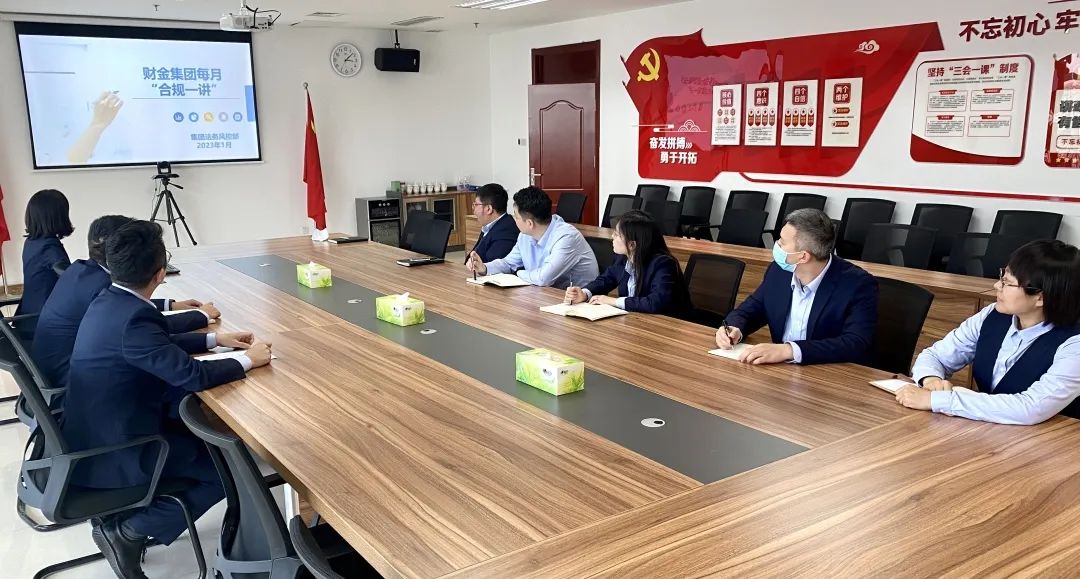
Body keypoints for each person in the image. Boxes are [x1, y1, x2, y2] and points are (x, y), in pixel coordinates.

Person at [61, 220, 272, 578]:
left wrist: (214, 340)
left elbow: (154, 346)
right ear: (160, 274)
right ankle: (130, 531)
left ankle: (130, 520)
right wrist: (248, 360)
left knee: (206, 438)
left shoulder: (110, 300)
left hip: (91, 431)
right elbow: (193, 375)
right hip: (121, 448)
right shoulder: (134, 318)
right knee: (227, 472)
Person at [897, 240, 1080, 425]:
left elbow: (1031, 408)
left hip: (1056, 437)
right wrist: (931, 380)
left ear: (1040, 298)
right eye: (1002, 276)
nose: (996, 286)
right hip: (990, 430)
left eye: (1007, 283)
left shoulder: (1075, 343)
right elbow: (935, 356)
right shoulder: (992, 314)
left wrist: (939, 401)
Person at [33, 215, 217, 391]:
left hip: (57, 365)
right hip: (70, 377)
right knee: (178, 382)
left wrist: (171, 305)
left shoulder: (81, 269)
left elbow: (129, 303)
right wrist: (201, 316)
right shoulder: (103, 286)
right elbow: (145, 326)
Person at [714, 208, 877, 365]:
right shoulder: (778, 271)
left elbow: (855, 342)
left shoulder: (858, 284)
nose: (776, 245)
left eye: (782, 242)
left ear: (803, 256)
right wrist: (734, 328)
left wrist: (790, 350)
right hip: (780, 370)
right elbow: (752, 308)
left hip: (827, 373)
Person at [564, 210, 692, 318]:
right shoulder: (623, 258)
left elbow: (655, 302)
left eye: (617, 234)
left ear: (632, 245)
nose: (612, 236)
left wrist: (613, 301)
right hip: (636, 321)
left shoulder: (663, 264)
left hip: (668, 327)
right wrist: (585, 293)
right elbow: (606, 279)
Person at [466, 186, 598, 289]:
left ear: (529, 223)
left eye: (516, 216)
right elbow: (508, 263)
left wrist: (518, 273)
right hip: (544, 293)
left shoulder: (566, 237)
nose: (513, 220)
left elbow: (543, 278)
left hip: (578, 301)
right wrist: (485, 268)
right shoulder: (525, 235)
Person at [15, 189, 74, 340]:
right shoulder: (49, 247)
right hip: (43, 324)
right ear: (58, 217)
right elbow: (70, 276)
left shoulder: (32, 242)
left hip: (29, 319)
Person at [467, 183, 518, 262]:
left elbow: (491, 265)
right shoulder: (492, 225)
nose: (474, 209)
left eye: (476, 205)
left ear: (488, 209)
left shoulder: (505, 233)